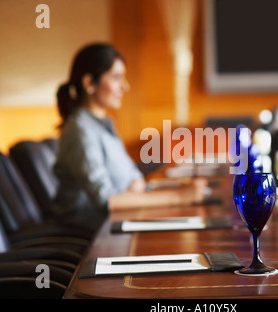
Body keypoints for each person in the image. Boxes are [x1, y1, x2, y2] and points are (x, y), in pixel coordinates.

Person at [52, 43, 207, 232]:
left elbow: (132, 181)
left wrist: (135, 185)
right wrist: (179, 197)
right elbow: (107, 200)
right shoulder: (79, 131)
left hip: (114, 223)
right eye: (116, 77)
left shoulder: (104, 124)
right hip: (88, 234)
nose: (125, 86)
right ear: (89, 83)